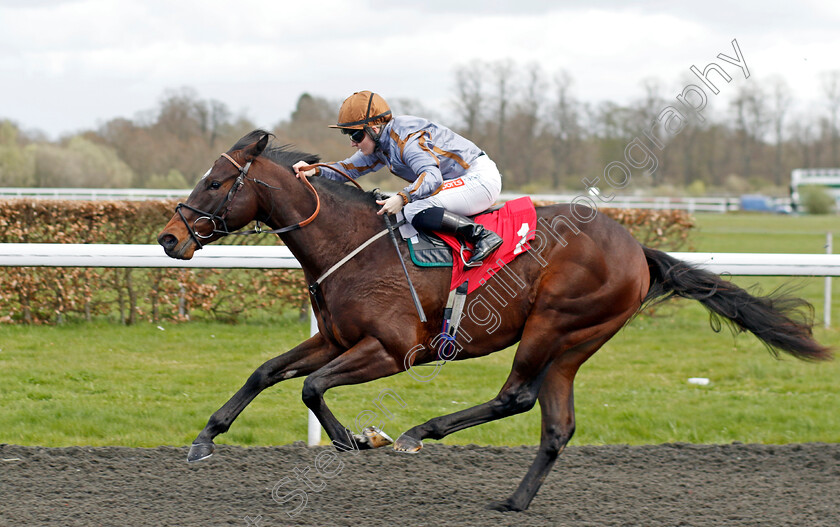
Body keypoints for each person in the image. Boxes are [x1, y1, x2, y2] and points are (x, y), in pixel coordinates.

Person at [293, 90, 503, 268]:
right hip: (461, 181)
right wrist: (315, 170)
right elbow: (348, 169)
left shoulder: (406, 139)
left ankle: (481, 235)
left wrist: (402, 197)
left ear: (373, 129)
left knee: (412, 208)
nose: (352, 143)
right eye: (348, 135)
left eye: (355, 135)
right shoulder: (381, 144)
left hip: (479, 178)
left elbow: (432, 177)